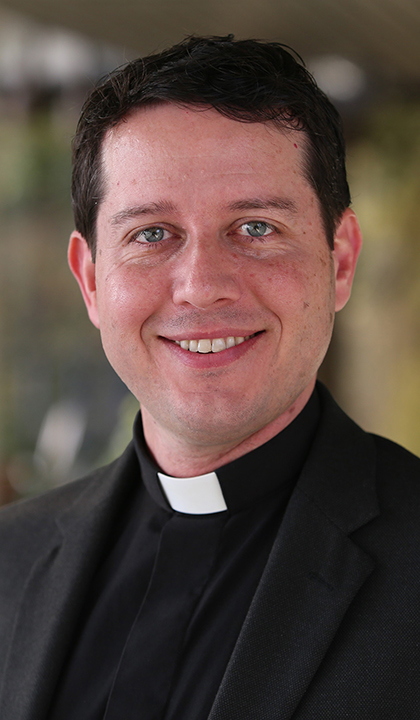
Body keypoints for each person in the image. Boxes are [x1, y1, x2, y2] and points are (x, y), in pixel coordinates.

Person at [1, 35, 420, 720]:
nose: (201, 288)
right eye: (152, 234)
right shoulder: (9, 563)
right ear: (91, 279)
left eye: (256, 227)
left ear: (340, 260)